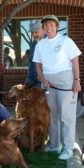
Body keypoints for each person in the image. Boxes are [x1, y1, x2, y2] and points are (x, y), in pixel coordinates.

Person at [33, 15, 82, 160]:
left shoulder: (65, 41)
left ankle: (68, 148)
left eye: (52, 25)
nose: (49, 28)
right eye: (46, 25)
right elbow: (38, 65)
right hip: (48, 82)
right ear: (43, 28)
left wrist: (76, 81)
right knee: (52, 116)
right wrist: (42, 79)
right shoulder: (40, 44)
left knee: (67, 117)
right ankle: (54, 145)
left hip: (65, 80)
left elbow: (75, 61)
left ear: (57, 26)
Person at [25, 19, 44, 87]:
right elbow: (31, 64)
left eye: (36, 32)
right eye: (32, 32)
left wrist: (42, 76)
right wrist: (28, 80)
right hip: (36, 82)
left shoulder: (50, 42)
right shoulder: (33, 44)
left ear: (43, 29)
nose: (34, 35)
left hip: (49, 82)